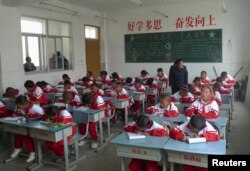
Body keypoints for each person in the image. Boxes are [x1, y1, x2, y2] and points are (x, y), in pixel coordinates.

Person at [10, 95, 44, 162]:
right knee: (20, 132)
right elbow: (19, 114)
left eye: (19, 105)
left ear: (24, 104)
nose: (18, 107)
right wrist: (15, 114)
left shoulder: (35, 108)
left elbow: (44, 117)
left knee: (24, 134)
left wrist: (31, 116)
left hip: (37, 126)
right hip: (27, 125)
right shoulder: (21, 108)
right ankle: (18, 148)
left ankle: (32, 152)